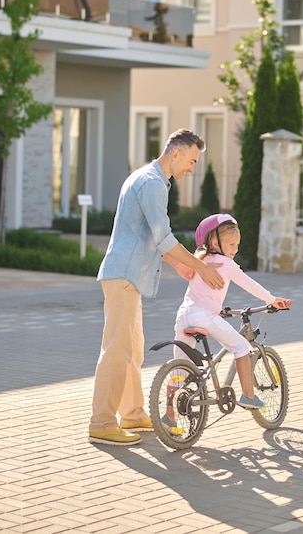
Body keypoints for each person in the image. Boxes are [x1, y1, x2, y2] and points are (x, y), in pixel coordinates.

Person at [88, 129, 224, 446]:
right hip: (124, 276)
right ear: (175, 153)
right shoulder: (151, 183)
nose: (192, 169)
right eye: (191, 160)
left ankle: (133, 414)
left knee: (132, 350)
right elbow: (163, 236)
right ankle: (102, 421)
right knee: (117, 350)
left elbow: (149, 235)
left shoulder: (149, 178)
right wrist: (199, 265)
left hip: (127, 277)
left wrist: (177, 263)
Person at [169, 213, 291, 417]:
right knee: (241, 346)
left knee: (178, 369)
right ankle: (248, 395)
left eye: (237, 244)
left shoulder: (201, 260)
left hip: (184, 315)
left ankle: (168, 417)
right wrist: (271, 299)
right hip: (204, 317)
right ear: (215, 242)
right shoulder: (226, 264)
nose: (236, 249)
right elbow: (249, 284)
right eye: (232, 244)